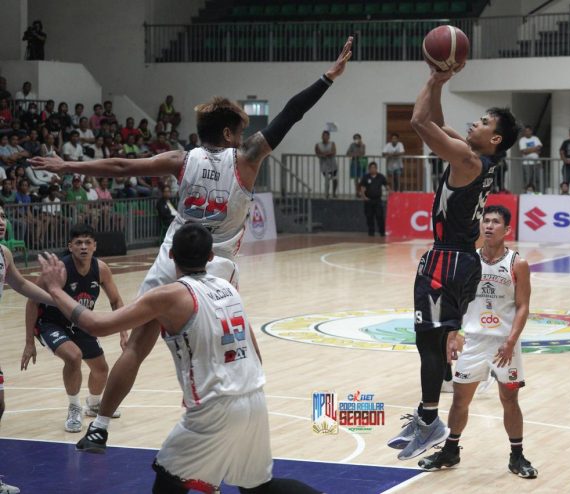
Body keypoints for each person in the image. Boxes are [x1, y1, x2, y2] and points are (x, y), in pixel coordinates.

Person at [30, 37, 353, 442]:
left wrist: (67, 165)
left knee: (137, 347)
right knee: (237, 343)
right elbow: (292, 113)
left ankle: (101, 425)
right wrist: (328, 77)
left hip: (171, 259)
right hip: (215, 270)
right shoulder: (247, 158)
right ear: (229, 133)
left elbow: (119, 165)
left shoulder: (180, 160)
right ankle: (244, 413)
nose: (244, 134)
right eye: (240, 129)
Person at [38, 224, 322, 494]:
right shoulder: (228, 288)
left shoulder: (168, 296)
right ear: (211, 257)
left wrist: (54, 290)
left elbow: (98, 325)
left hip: (215, 406)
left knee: (168, 480)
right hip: (254, 398)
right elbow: (255, 349)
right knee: (259, 488)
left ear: (170, 254)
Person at [387, 66, 520, 460]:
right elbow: (438, 121)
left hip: (451, 259)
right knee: (427, 339)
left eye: (482, 122)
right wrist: (439, 85)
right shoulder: (471, 155)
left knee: (430, 342)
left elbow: (418, 121)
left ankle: (430, 423)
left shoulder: (468, 159)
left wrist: (435, 78)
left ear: (494, 138)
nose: (473, 123)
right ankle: (427, 415)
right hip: (449, 256)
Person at [417, 205, 537, 479]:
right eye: (486, 221)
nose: (489, 226)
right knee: (460, 401)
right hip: (472, 339)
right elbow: (456, 301)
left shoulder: (518, 264)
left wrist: (511, 340)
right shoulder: (468, 261)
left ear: (507, 230)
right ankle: (451, 450)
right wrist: (452, 333)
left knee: (509, 399)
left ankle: (517, 456)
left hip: (504, 344)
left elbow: (523, 306)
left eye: (496, 222)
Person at [22, 224, 128, 432]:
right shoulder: (58, 270)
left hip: (80, 323)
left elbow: (116, 301)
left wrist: (123, 333)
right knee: (73, 356)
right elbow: (32, 301)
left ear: (95, 246)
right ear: (70, 247)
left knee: (101, 370)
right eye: (78, 242)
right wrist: (28, 343)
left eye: (88, 242)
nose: (83, 246)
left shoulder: (101, 269)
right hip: (51, 323)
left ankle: (94, 404)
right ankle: (74, 407)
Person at [0, 200, 55, 494]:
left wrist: (56, 298)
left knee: (0, 405)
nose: (1, 221)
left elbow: (20, 284)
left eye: (3, 216)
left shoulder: (4, 253)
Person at [359, 162, 388, 236]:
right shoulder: (366, 177)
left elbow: (386, 185)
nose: (372, 169)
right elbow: (362, 188)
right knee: (369, 217)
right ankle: (371, 232)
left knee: (380, 216)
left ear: (376, 168)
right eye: (371, 168)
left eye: (374, 168)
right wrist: (364, 196)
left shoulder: (380, 176)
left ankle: (382, 232)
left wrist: (390, 191)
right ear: (369, 169)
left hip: (377, 200)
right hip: (368, 200)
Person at [518, 125, 542, 192]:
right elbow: (523, 151)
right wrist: (535, 149)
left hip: (536, 162)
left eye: (528, 131)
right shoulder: (522, 140)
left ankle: (537, 193)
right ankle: (526, 193)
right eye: (526, 131)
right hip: (526, 163)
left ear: (531, 131)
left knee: (537, 179)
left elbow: (539, 148)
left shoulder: (535, 138)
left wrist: (528, 150)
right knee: (528, 180)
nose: (527, 132)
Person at [315, 130, 337, 198]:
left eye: (326, 136)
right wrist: (327, 153)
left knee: (335, 179)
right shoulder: (318, 145)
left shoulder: (332, 143)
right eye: (323, 135)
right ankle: (327, 194)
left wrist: (324, 154)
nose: (325, 137)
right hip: (324, 166)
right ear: (321, 136)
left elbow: (333, 152)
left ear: (329, 137)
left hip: (333, 165)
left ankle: (334, 193)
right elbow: (318, 153)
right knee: (327, 180)